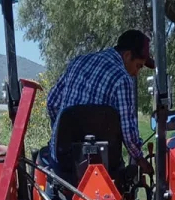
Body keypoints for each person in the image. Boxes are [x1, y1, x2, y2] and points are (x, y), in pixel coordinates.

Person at [46, 30, 154, 177]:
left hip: (65, 163)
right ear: (127, 56)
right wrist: (140, 158)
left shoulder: (77, 62)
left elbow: (52, 102)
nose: (136, 73)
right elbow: (128, 133)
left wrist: (62, 134)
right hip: (105, 169)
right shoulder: (122, 79)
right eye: (138, 66)